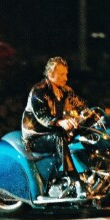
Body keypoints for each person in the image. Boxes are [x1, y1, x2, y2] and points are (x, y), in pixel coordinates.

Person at [21, 57, 87, 198]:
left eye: (66, 74)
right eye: (62, 74)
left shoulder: (65, 90)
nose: (66, 78)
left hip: (55, 131)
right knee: (58, 138)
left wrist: (102, 112)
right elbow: (43, 117)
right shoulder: (39, 91)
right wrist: (61, 122)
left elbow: (81, 105)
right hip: (36, 136)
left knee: (85, 135)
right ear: (51, 74)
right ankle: (75, 180)